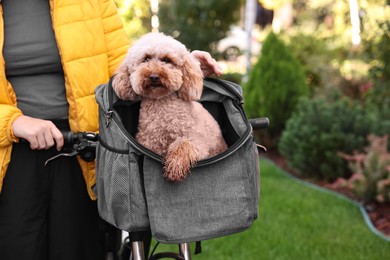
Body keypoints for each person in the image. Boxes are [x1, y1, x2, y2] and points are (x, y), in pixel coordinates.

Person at [0, 1, 222, 260]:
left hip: (84, 151)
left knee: (77, 248)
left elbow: (127, 76)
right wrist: (12, 122)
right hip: (11, 152)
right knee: (16, 246)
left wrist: (182, 66)